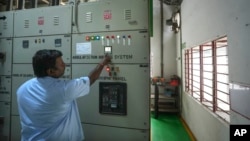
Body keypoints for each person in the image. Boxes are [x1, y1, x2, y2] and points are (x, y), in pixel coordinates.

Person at [16, 49, 111, 141]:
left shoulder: (22, 89)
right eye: (61, 64)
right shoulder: (63, 90)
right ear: (50, 71)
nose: (65, 65)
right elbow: (90, 79)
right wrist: (103, 63)